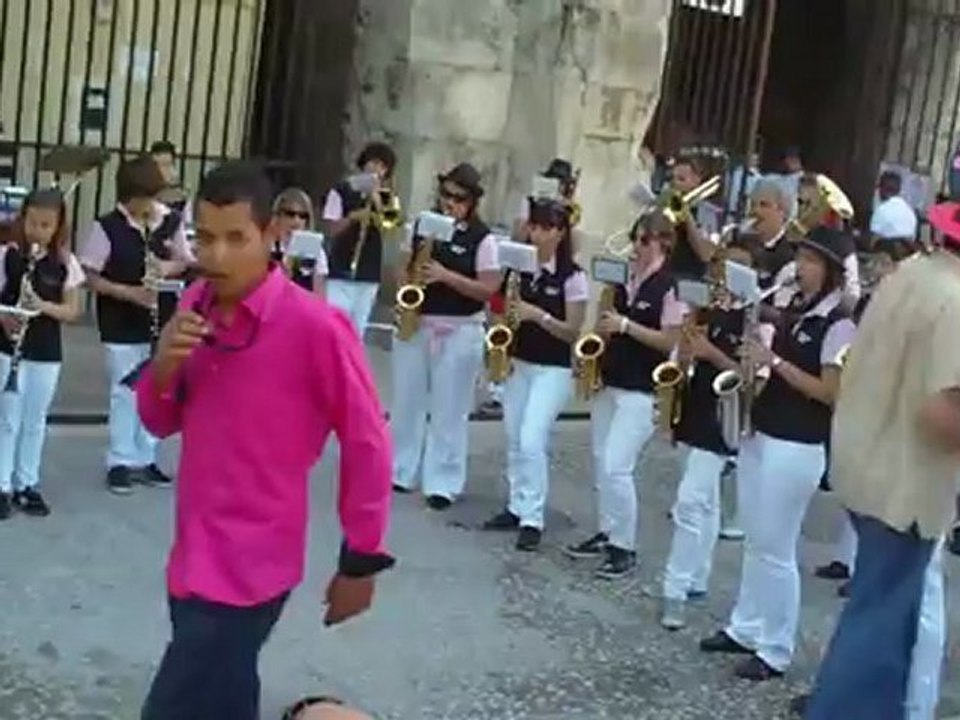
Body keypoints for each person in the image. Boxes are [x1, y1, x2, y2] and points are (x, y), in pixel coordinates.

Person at [135, 161, 394, 720]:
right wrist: (163, 367)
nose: (217, 256)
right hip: (190, 557)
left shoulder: (316, 328)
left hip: (252, 570)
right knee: (224, 699)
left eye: (236, 238)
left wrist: (360, 560)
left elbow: (367, 441)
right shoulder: (193, 305)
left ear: (270, 234)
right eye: (204, 238)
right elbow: (158, 423)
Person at [804, 202, 960, 719]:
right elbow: (943, 413)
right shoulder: (956, 299)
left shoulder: (911, 273)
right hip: (906, 486)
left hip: (868, 466)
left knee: (884, 624)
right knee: (875, 637)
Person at [699, 227, 855, 681]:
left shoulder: (839, 323)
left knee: (778, 547)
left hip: (798, 442)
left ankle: (777, 646)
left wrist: (774, 362)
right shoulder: (790, 308)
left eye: (810, 261)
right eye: (800, 259)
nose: (799, 268)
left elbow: (831, 392)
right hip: (761, 431)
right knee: (754, 536)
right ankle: (745, 626)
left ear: (829, 272)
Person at [657, 238, 773, 629]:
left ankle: (673, 589)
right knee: (704, 502)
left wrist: (710, 352)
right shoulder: (708, 309)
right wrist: (688, 352)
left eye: (739, 267)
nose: (727, 275)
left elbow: (754, 380)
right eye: (724, 266)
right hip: (695, 405)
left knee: (689, 501)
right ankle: (698, 577)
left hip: (724, 414)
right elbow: (684, 357)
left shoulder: (759, 321)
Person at [564, 209, 683, 578]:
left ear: (663, 242)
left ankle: (624, 547)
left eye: (645, 240)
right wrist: (596, 340)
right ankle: (607, 530)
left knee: (618, 465)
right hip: (611, 380)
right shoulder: (622, 279)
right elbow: (604, 324)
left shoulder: (671, 286)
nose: (637, 247)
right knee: (603, 461)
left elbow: (670, 341)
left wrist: (626, 325)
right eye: (636, 238)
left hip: (644, 389)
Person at [79, 155, 194, 495]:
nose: (148, 204)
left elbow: (186, 261)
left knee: (158, 386)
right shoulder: (108, 225)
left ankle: (147, 457)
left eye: (152, 196)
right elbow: (88, 275)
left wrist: (164, 267)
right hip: (121, 321)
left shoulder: (169, 221)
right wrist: (127, 292)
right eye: (142, 197)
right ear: (127, 195)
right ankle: (119, 461)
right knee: (125, 391)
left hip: (161, 318)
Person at [390, 162, 501, 509]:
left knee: (449, 409)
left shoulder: (483, 239)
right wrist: (405, 284)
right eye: (446, 195)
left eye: (458, 198)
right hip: (417, 321)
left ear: (472, 202)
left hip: (460, 329)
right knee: (407, 401)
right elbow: (401, 265)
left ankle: (443, 481)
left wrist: (445, 275)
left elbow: (488, 289)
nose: (449, 203)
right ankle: (400, 469)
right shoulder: (423, 225)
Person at [481, 197, 588, 551]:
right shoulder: (517, 266)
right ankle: (516, 504)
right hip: (519, 361)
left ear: (560, 233)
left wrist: (536, 315)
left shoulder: (572, 277)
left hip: (553, 368)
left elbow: (572, 331)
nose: (537, 234)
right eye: (534, 227)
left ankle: (533, 518)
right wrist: (499, 332)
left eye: (545, 228)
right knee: (514, 437)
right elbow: (495, 305)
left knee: (531, 437)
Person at [0, 189, 84, 519]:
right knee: (7, 419)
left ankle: (27, 483)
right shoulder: (7, 254)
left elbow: (73, 311)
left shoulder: (65, 263)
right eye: (33, 222)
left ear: (58, 226)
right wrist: (6, 317)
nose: (38, 230)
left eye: (46, 225)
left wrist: (42, 306)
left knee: (35, 420)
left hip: (46, 351)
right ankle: (2, 484)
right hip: (8, 347)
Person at [322, 141, 398, 337]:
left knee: (357, 331)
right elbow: (331, 229)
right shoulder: (341, 191)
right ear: (364, 163)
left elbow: (390, 228)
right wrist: (352, 217)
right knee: (334, 326)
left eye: (383, 167)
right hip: (340, 268)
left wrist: (377, 202)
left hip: (368, 271)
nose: (376, 170)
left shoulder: (388, 197)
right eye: (373, 163)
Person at [665, 149, 722, 280]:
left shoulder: (708, 213)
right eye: (672, 179)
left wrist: (687, 216)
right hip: (664, 275)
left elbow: (706, 253)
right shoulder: (667, 205)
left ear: (696, 180)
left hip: (689, 278)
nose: (675, 184)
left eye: (681, 179)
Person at [269, 188, 328, 296]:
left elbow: (320, 296)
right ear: (278, 216)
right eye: (290, 214)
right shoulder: (267, 246)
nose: (296, 221)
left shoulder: (315, 251)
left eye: (303, 216)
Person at [870, 170, 918, 258]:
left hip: (884, 259)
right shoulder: (910, 212)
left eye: (879, 188)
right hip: (906, 260)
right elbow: (912, 238)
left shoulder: (881, 210)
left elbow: (873, 240)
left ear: (883, 189)